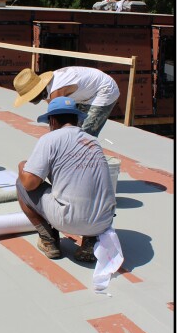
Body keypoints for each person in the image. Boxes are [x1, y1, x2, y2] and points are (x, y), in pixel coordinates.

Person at [15, 97, 116, 262]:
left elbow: (29, 183)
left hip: (70, 220)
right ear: (77, 120)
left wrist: (22, 166)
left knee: (21, 183)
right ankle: (90, 241)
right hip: (104, 221)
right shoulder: (93, 142)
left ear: (52, 120)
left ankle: (49, 240)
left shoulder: (50, 139)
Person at [13, 66, 120, 137]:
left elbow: (60, 121)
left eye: (29, 98)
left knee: (85, 135)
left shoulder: (57, 91)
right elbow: (54, 120)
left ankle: (86, 164)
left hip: (104, 90)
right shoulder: (46, 88)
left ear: (36, 92)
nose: (29, 101)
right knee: (75, 131)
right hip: (87, 93)